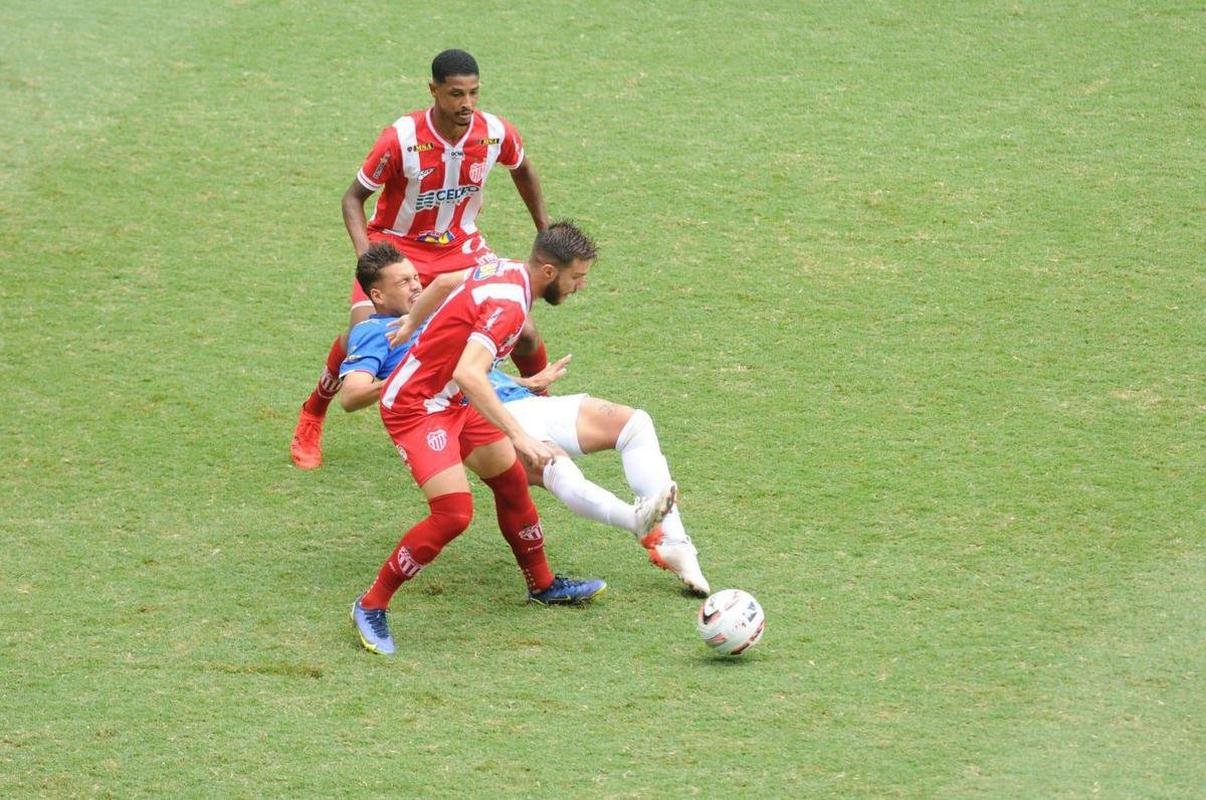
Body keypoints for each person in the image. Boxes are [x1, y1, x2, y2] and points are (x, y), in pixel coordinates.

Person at [339, 244, 708, 597]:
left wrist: (525, 381)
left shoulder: (453, 299)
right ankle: (636, 522)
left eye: (414, 276)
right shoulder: (374, 332)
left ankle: (671, 545)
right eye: (403, 282)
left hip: (510, 397)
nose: (416, 283)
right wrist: (411, 367)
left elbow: (446, 290)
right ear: (377, 296)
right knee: (534, 474)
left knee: (634, 424)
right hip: (474, 409)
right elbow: (356, 394)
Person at [351, 221, 624, 656]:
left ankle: (543, 584)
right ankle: (370, 605)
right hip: (418, 407)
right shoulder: (511, 306)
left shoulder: (502, 267)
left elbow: (443, 282)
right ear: (551, 272)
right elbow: (469, 373)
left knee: (512, 479)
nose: (579, 287)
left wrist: (409, 325)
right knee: (453, 514)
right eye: (577, 277)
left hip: (454, 400)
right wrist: (522, 435)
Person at [290, 48, 551, 470]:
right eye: (455, 94)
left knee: (524, 330)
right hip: (397, 247)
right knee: (367, 331)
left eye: (473, 94)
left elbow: (522, 168)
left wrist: (544, 228)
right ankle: (314, 410)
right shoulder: (401, 138)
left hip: (461, 246)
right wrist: (369, 258)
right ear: (433, 91)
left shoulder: (495, 133)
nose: (466, 104)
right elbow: (353, 199)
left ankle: (541, 410)